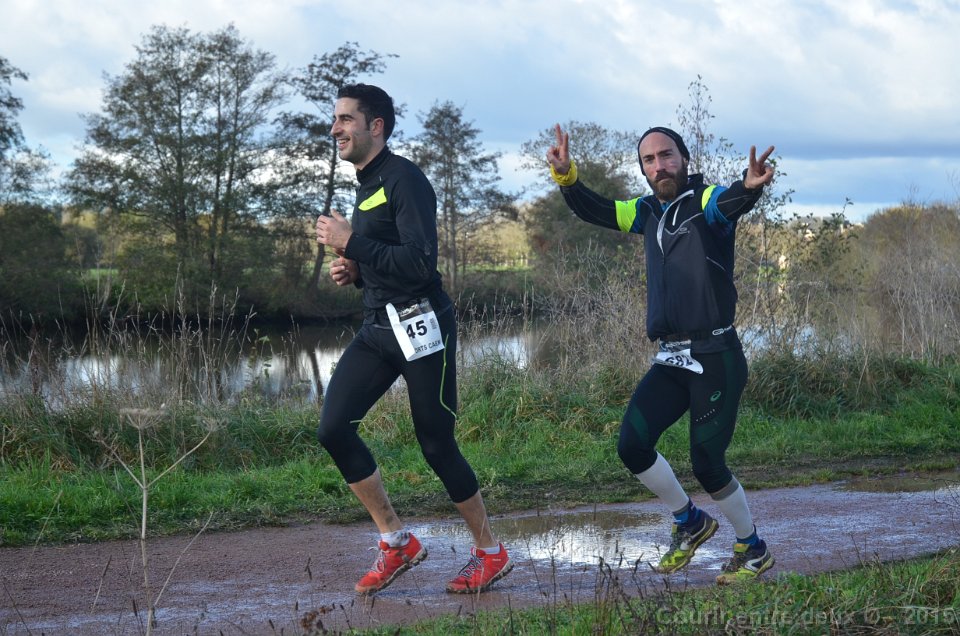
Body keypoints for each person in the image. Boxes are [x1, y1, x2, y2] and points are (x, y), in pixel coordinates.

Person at [545, 123, 776, 584]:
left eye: (666, 155)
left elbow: (731, 201)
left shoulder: (706, 202)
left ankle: (752, 548)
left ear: (684, 158)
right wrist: (567, 177)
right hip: (671, 357)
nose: (659, 166)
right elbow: (596, 209)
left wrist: (750, 187)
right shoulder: (646, 210)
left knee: (707, 463)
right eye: (649, 160)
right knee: (632, 445)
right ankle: (689, 521)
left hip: (716, 355)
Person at [315, 83, 512, 595]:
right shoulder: (366, 184)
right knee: (334, 428)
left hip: (422, 325)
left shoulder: (405, 178)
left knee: (436, 443)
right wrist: (356, 270)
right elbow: (387, 255)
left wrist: (351, 242)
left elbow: (420, 263)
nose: (335, 128)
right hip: (378, 327)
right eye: (335, 119)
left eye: (345, 119)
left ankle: (490, 552)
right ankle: (396, 540)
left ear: (375, 125)